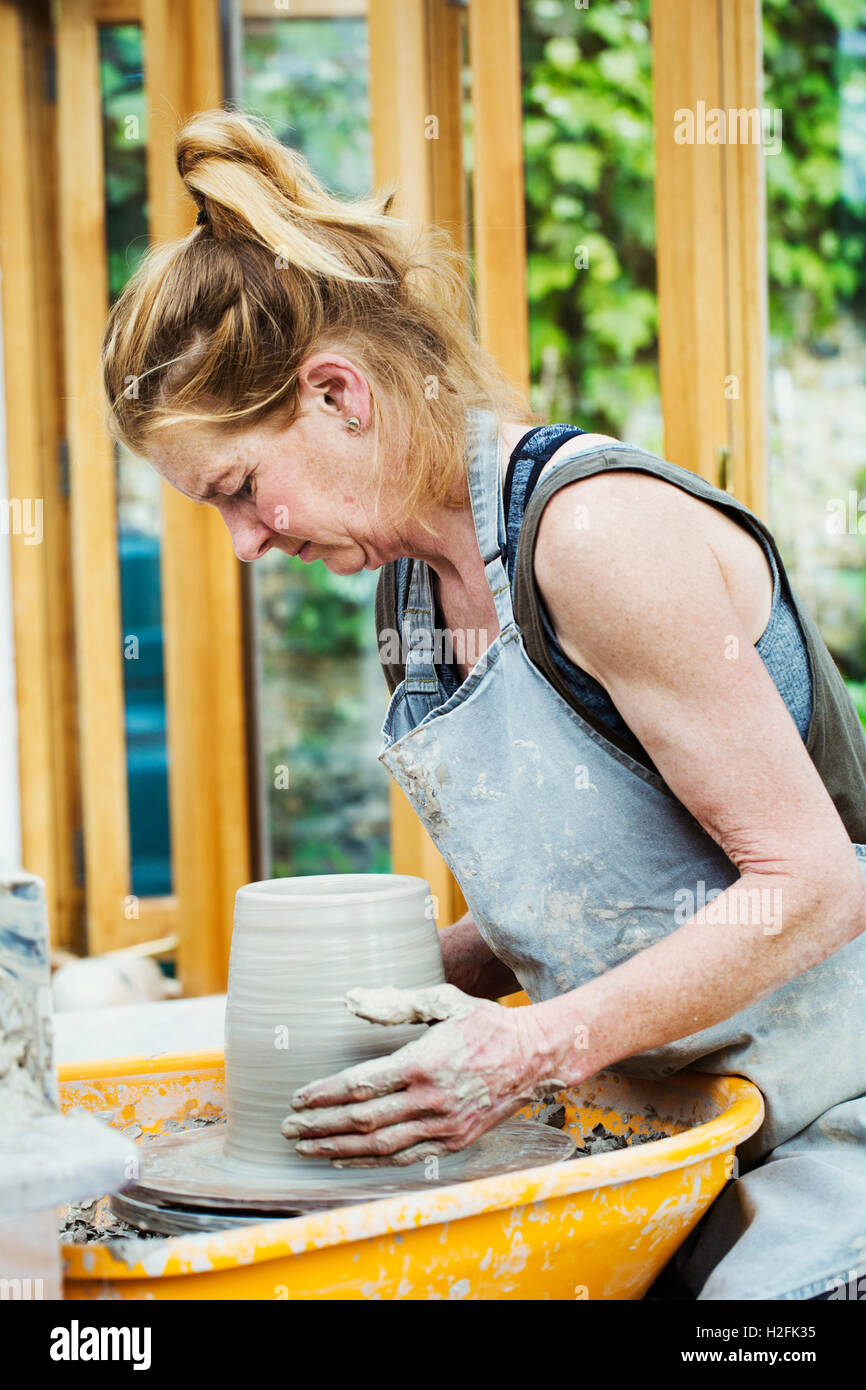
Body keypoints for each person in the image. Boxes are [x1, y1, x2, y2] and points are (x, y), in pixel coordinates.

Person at [102, 109, 866, 1300]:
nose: (246, 544)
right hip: (665, 1129)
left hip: (834, 1124)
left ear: (338, 393)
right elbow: (597, 908)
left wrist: (526, 1043)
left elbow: (813, 884)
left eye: (241, 489)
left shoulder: (593, 536)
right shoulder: (411, 588)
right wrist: (395, 986)